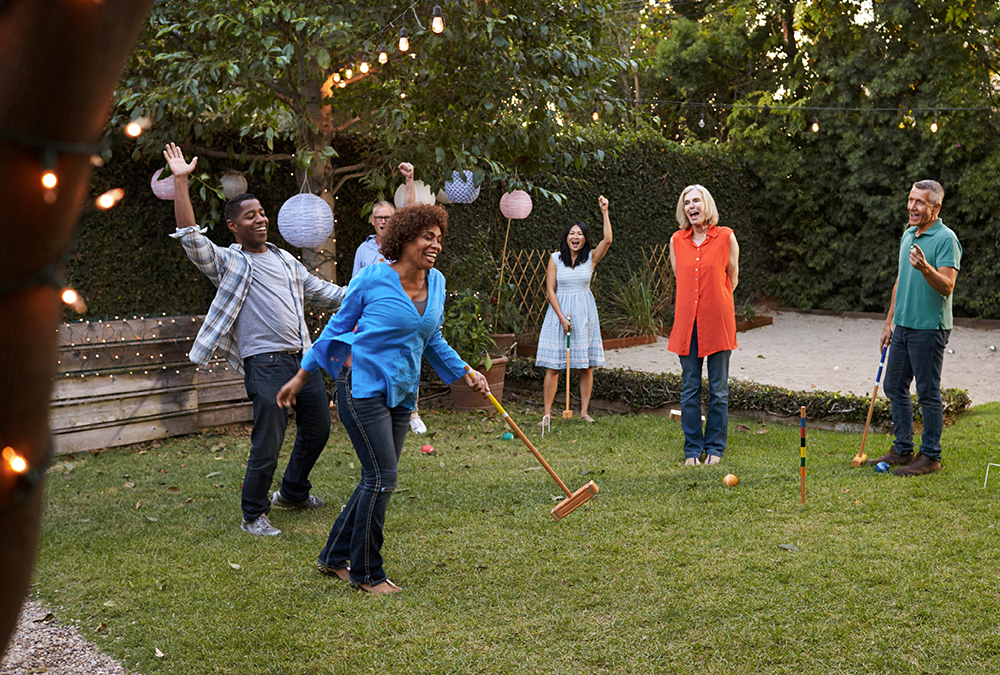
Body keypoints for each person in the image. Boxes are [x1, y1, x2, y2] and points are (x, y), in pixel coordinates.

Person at [277, 204, 490, 594]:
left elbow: (431, 338)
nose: (435, 245)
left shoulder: (437, 282)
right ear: (405, 238)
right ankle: (367, 574)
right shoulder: (373, 278)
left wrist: (467, 371)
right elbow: (334, 331)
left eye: (439, 239)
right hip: (361, 385)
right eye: (428, 237)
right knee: (382, 477)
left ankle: (332, 557)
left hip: (403, 391)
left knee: (375, 478)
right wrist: (300, 377)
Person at [164, 143, 345, 536]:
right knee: (268, 441)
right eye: (250, 216)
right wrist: (181, 181)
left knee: (319, 430)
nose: (260, 220)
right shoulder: (232, 262)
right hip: (264, 364)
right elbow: (191, 239)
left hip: (303, 361)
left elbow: (325, 292)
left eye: (262, 213)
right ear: (234, 226)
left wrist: (369, 289)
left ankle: (293, 492)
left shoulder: (285, 259)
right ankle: (253, 514)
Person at [867, 180, 961, 476]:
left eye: (920, 202)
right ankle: (903, 449)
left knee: (927, 392)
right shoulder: (908, 235)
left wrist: (926, 268)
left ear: (936, 208)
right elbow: (900, 281)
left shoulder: (947, 239)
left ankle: (931, 456)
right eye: (910, 200)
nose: (912, 207)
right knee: (894, 385)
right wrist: (888, 321)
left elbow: (947, 286)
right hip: (904, 325)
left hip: (929, 328)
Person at [351, 165, 428, 435]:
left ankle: (412, 411)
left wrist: (409, 180)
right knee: (373, 363)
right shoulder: (363, 249)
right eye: (378, 218)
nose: (383, 221)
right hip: (372, 318)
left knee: (407, 361)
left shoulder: (402, 244)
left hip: (400, 313)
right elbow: (354, 288)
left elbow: (410, 213)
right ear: (372, 221)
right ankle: (376, 410)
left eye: (387, 217)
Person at [667, 184, 739, 466]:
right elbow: (680, 278)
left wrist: (714, 301)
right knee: (690, 388)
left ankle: (715, 448)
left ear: (706, 204)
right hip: (688, 323)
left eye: (696, 200)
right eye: (686, 203)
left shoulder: (726, 237)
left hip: (718, 320)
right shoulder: (676, 240)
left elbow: (732, 278)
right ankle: (693, 449)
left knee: (719, 388)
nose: (691, 206)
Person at [535, 196, 613, 426]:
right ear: (566, 237)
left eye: (580, 234)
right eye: (572, 233)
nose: (575, 237)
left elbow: (607, 240)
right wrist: (560, 317)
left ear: (585, 238)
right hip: (559, 314)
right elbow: (550, 290)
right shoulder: (555, 259)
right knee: (554, 366)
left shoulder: (591, 258)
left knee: (586, 365)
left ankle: (584, 412)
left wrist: (605, 211)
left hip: (584, 313)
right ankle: (547, 414)